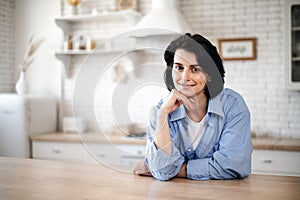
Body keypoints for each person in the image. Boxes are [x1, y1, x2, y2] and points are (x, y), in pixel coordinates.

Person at [133, 33, 252, 181]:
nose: (184, 77)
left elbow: (234, 166)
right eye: (179, 67)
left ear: (209, 74)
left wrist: (177, 169)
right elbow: (162, 171)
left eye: (194, 69)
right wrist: (163, 114)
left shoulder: (233, 105)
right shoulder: (160, 110)